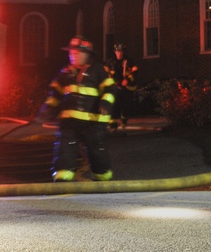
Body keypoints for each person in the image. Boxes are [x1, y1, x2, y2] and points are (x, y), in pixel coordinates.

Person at [35, 36, 115, 182]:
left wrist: (105, 104)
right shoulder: (65, 72)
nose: (73, 54)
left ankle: (103, 179)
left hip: (93, 123)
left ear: (87, 54)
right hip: (69, 123)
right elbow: (55, 94)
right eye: (71, 52)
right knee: (64, 149)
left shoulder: (98, 70)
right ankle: (62, 179)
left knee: (97, 151)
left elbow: (110, 90)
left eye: (77, 52)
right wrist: (47, 110)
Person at [106, 42, 138, 131]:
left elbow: (135, 72)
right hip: (115, 87)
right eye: (117, 51)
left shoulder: (129, 61)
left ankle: (124, 119)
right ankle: (113, 126)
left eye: (121, 51)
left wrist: (127, 80)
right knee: (114, 105)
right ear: (115, 52)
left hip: (127, 88)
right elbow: (106, 73)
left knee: (126, 106)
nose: (119, 53)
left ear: (123, 52)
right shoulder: (110, 62)